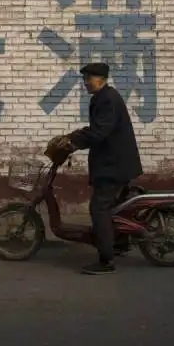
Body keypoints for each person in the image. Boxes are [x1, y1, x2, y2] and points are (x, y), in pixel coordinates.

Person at [65, 63, 144, 275]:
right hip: (115, 162)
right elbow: (97, 129)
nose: (85, 83)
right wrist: (74, 136)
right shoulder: (104, 97)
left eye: (88, 78)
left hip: (114, 166)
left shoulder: (107, 99)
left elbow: (100, 131)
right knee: (115, 208)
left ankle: (106, 260)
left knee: (99, 209)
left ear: (100, 79)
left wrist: (74, 142)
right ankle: (120, 243)